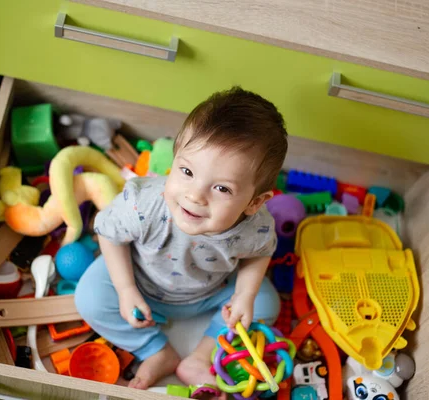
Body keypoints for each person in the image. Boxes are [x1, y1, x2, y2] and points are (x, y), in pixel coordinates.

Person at [75, 86, 289, 392]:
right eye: (187, 171)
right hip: (143, 281)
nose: (194, 195)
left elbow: (260, 253)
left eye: (222, 189)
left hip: (211, 290)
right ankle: (156, 351)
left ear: (255, 202)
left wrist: (244, 296)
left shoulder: (256, 226)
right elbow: (108, 234)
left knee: (266, 303)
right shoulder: (144, 203)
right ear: (174, 160)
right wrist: (124, 289)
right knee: (89, 297)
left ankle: (199, 358)